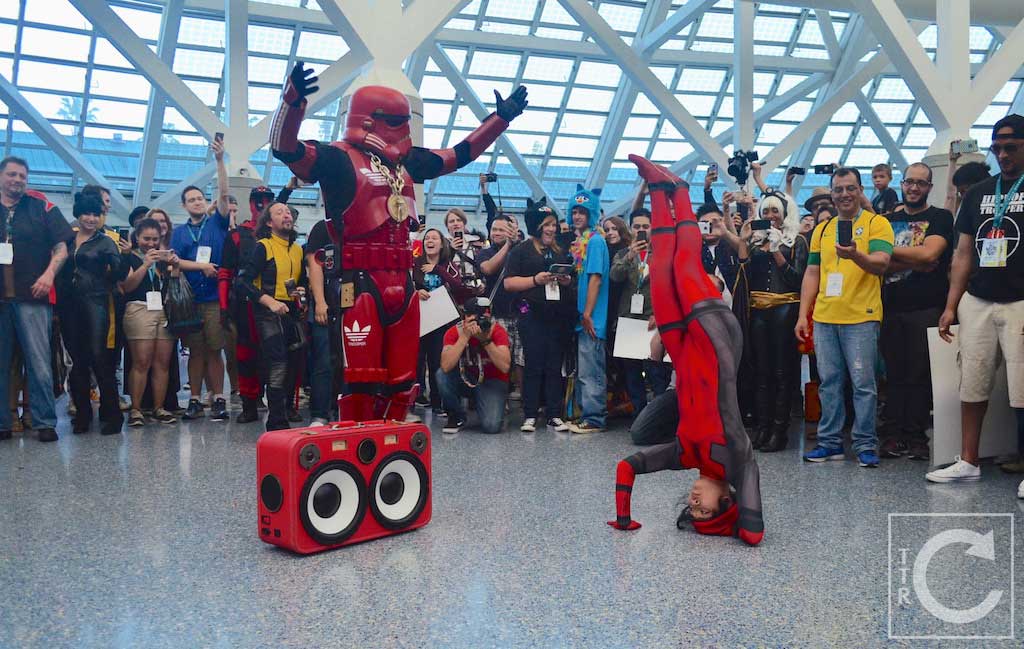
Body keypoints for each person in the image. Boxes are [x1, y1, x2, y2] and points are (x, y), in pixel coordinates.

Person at [270, 63, 527, 423]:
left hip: (402, 281)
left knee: (404, 378)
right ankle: (359, 438)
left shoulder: (406, 164)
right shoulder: (338, 158)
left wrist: (499, 120)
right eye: (394, 121)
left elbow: (457, 155)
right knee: (360, 377)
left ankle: (394, 442)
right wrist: (292, 102)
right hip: (360, 280)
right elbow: (285, 149)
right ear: (369, 119)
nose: (400, 129)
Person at [608, 154, 764, 547]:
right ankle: (679, 190)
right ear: (727, 501)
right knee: (684, 265)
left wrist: (624, 519)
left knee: (661, 268)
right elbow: (753, 533)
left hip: (683, 350)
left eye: (691, 511)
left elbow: (627, 467)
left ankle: (660, 188)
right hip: (717, 342)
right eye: (705, 509)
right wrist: (734, 523)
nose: (694, 503)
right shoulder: (738, 458)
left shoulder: (684, 454)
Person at [928, 114, 1024, 490]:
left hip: (1020, 301)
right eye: (997, 148)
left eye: (1011, 147)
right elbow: (963, 253)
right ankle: (968, 461)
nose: (1003, 155)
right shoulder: (979, 193)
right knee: (972, 383)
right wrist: (951, 305)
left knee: (1022, 388)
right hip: (979, 300)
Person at [797, 168, 894, 467]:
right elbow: (812, 272)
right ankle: (830, 443)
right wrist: (803, 315)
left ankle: (865, 444)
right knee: (828, 383)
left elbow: (882, 263)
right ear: (832, 193)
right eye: (838, 189)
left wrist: (856, 256)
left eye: (850, 188)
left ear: (860, 190)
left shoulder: (877, 223)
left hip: (861, 317)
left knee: (863, 384)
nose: (844, 194)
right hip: (825, 317)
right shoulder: (823, 230)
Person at [721, 190, 808, 452]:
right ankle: (762, 427)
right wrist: (744, 241)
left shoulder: (797, 241)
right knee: (760, 372)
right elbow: (743, 275)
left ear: (784, 214)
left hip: (786, 309)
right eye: (766, 211)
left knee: (782, 372)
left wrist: (776, 251)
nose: (770, 216)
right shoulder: (756, 242)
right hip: (758, 311)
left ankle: (779, 431)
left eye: (775, 211)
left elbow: (798, 280)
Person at [878, 162, 954, 460]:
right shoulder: (886, 221)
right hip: (890, 308)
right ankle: (892, 435)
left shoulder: (940, 217)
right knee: (894, 374)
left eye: (921, 183)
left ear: (929, 187)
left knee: (920, 375)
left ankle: (916, 436)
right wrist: (916, 260)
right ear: (902, 183)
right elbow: (877, 263)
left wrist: (889, 252)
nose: (913, 188)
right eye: (909, 182)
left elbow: (931, 253)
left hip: (926, 308)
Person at [0, 157, 72, 442]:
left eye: (22, 176)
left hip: (32, 295)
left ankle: (44, 422)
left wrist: (49, 275)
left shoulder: (41, 207)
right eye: (12, 174)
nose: (17, 180)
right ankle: (3, 422)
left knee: (39, 363)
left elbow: (62, 248)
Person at [57, 193, 127, 435]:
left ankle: (113, 416)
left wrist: (119, 263)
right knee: (77, 361)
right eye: (87, 213)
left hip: (96, 302)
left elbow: (119, 273)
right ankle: (83, 415)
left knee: (100, 358)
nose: (91, 218)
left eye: (96, 214)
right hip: (69, 305)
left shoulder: (106, 242)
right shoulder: (67, 239)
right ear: (78, 214)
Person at [171, 137, 230, 422]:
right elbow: (175, 261)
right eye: (191, 200)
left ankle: (218, 397)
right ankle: (194, 399)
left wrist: (219, 160)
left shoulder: (216, 222)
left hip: (214, 298)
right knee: (196, 351)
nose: (197, 202)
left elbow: (224, 192)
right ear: (184, 206)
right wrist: (202, 267)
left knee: (215, 350)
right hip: (191, 300)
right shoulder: (180, 233)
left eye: (200, 198)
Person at [504, 201, 575, 433]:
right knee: (533, 364)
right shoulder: (521, 251)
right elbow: (509, 283)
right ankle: (530, 414)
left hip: (557, 316)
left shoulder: (559, 251)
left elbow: (570, 279)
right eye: (547, 225)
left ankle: (554, 414)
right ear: (536, 226)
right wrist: (535, 280)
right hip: (531, 315)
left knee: (554, 365)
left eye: (554, 224)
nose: (552, 229)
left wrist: (566, 280)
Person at [237, 202, 306, 431]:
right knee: (278, 364)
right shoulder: (263, 247)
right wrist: (268, 301)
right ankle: (276, 421)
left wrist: (301, 291)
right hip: (267, 313)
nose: (286, 215)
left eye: (288, 212)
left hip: (291, 311)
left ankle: (285, 410)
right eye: (279, 212)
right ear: (268, 222)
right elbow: (242, 281)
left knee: (294, 363)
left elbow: (301, 281)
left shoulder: (297, 249)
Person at [219, 186, 276, 423]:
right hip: (245, 305)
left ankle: (278, 405)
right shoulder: (237, 235)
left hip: (275, 304)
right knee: (245, 355)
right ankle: (249, 403)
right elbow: (225, 272)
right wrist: (224, 307)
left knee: (277, 356)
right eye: (258, 200)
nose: (262, 204)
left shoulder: (279, 235)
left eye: (267, 200)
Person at [609, 208, 670, 415]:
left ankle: (660, 416)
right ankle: (639, 416)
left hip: (653, 319)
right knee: (632, 374)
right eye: (637, 226)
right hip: (628, 320)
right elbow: (615, 276)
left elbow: (669, 286)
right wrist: (631, 255)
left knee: (656, 372)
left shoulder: (663, 253)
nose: (641, 230)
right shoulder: (622, 253)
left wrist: (661, 314)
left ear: (653, 228)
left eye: (645, 226)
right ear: (630, 229)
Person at [120, 218, 180, 426]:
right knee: (141, 361)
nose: (151, 243)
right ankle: (136, 409)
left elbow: (173, 282)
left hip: (163, 309)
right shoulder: (129, 256)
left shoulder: (162, 258)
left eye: (155, 239)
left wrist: (174, 265)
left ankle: (159, 407)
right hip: (138, 308)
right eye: (146, 238)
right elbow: (127, 286)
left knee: (162, 363)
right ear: (137, 237)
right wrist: (146, 264)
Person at [566, 185, 610, 434]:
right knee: (585, 369)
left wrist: (587, 313)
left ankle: (594, 418)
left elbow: (596, 278)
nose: (577, 216)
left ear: (591, 214)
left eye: (582, 212)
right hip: (584, 318)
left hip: (592, 319)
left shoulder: (595, 242)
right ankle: (586, 414)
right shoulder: (583, 242)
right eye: (574, 211)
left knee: (591, 370)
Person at [437, 297, 511, 433]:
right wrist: (464, 337)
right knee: (441, 375)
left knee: (491, 426)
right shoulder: (454, 332)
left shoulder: (497, 331)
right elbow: (446, 366)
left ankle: (484, 404)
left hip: (492, 381)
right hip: (466, 378)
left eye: (484, 318)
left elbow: (505, 367)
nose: (479, 323)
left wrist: (486, 341)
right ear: (465, 317)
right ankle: (456, 415)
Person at [414, 228, 464, 413]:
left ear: (442, 244)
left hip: (443, 320)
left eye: (434, 238)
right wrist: (416, 292)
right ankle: (418, 396)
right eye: (427, 238)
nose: (430, 241)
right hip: (421, 320)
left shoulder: (448, 264)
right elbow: (407, 286)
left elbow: (458, 286)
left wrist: (437, 270)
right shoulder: (416, 264)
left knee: (437, 360)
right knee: (419, 359)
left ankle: (438, 402)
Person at [476, 213, 522, 397]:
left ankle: (525, 401)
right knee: (500, 359)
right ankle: (500, 399)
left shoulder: (522, 249)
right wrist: (507, 246)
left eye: (501, 230)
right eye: (493, 229)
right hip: (497, 314)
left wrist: (513, 244)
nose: (495, 233)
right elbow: (488, 268)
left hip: (520, 313)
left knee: (521, 360)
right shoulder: (485, 252)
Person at [303, 215, 341, 426]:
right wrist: (319, 301)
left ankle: (345, 410)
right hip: (326, 303)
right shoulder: (323, 227)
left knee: (349, 362)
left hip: (355, 304)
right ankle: (320, 413)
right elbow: (315, 263)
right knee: (324, 360)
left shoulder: (360, 224)